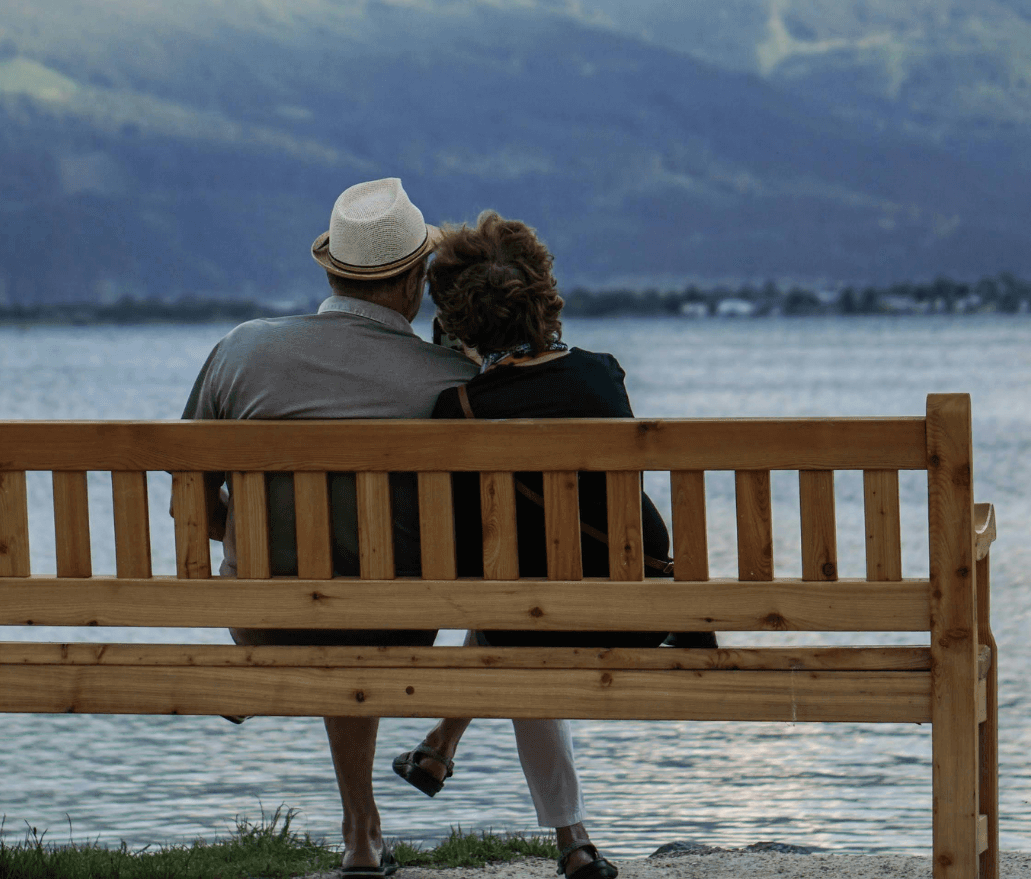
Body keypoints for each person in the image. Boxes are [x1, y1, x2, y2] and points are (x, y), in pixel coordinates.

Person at [179, 177, 468, 878]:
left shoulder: (240, 351)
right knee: (361, 587)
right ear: (412, 285)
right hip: (393, 621)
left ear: (331, 268)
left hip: (260, 616)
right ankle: (363, 829)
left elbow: (190, 499)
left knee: (324, 587)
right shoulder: (447, 377)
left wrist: (245, 545)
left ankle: (360, 828)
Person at [387, 211, 668, 879]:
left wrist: (465, 371)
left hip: (533, 617)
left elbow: (461, 548)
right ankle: (444, 753)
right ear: (545, 292)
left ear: (457, 318)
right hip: (643, 610)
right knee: (518, 597)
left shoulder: (458, 410)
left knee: (513, 600)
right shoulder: (604, 377)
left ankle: (562, 831)